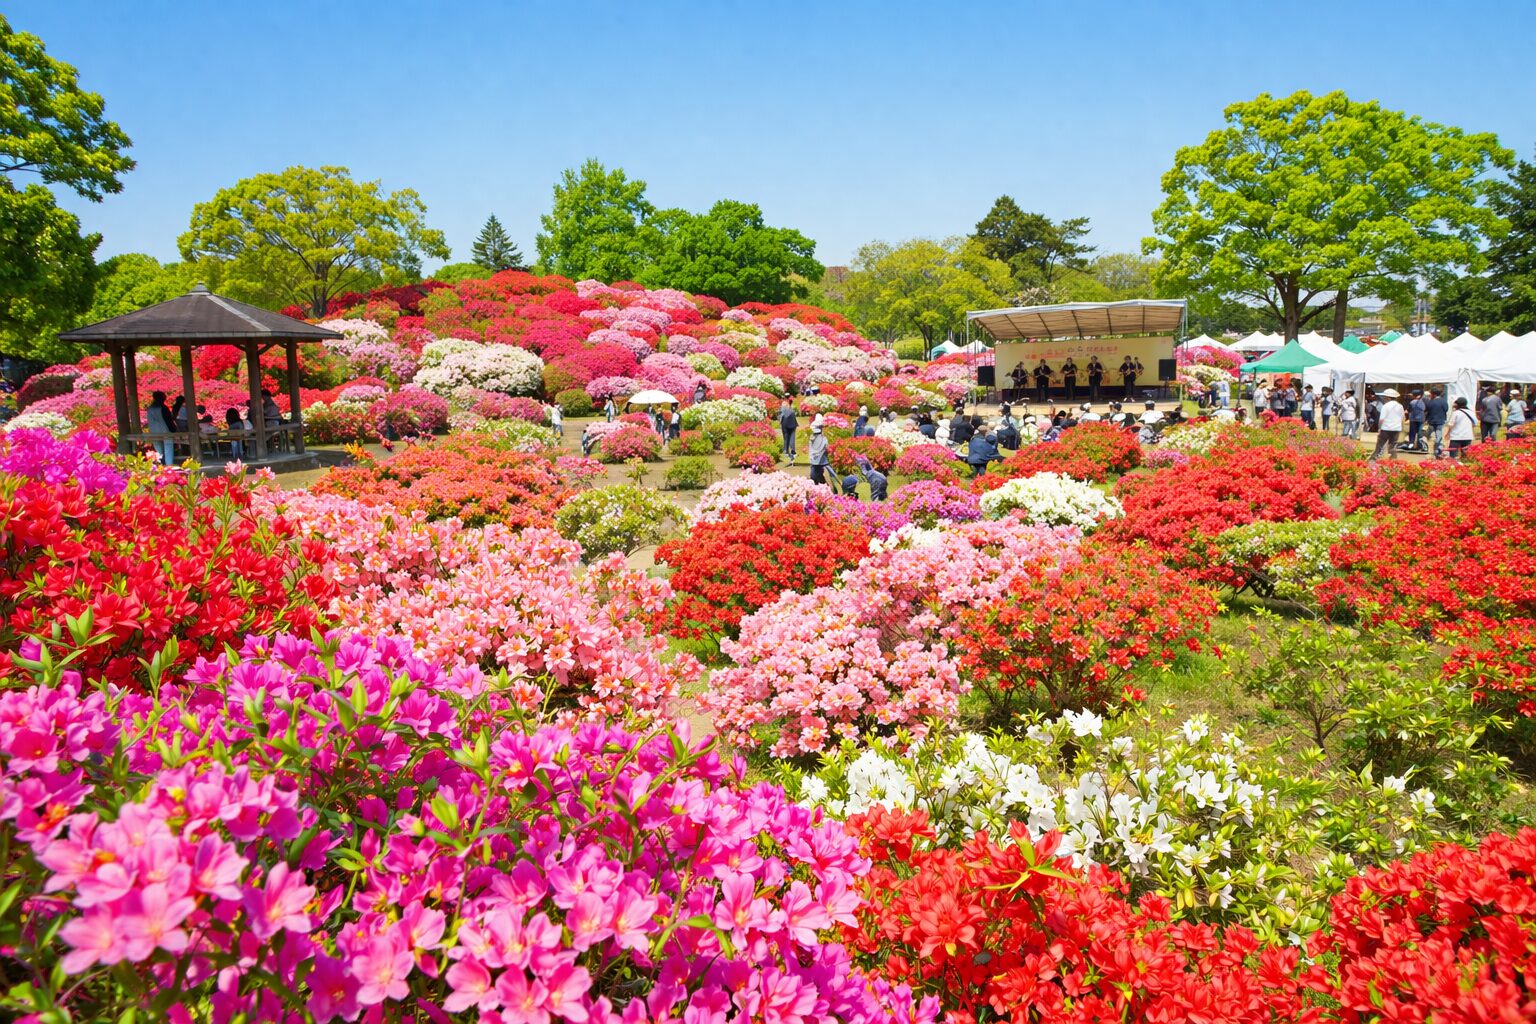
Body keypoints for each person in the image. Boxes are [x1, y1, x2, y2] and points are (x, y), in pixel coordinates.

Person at [1371, 388, 1404, 461]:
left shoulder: (1385, 406)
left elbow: (1381, 419)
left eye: (1385, 396)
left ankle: (1376, 458)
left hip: (1386, 428)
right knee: (1393, 444)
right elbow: (1402, 417)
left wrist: (1379, 427)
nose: (1384, 398)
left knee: (1380, 444)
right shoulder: (1400, 406)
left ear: (1388, 398)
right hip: (1396, 428)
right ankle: (1393, 459)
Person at [145, 391, 176, 465]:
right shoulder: (163, 408)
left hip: (153, 432)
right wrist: (174, 430)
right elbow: (169, 421)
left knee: (159, 451)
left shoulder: (150, 409)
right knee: (168, 448)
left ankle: (160, 464)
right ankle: (169, 465)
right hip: (165, 431)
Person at [1423, 387, 1448, 457]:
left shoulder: (1430, 402)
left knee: (1428, 435)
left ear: (1433, 394)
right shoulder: (1444, 401)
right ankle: (1438, 449)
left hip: (1431, 421)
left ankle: (1429, 446)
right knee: (1439, 435)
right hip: (1440, 421)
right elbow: (1446, 409)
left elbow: (1426, 410)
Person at [808, 417, 831, 485]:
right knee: (815, 474)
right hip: (815, 460)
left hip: (820, 460)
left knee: (817, 474)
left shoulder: (822, 438)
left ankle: (822, 485)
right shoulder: (812, 438)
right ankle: (820, 484)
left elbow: (826, 447)